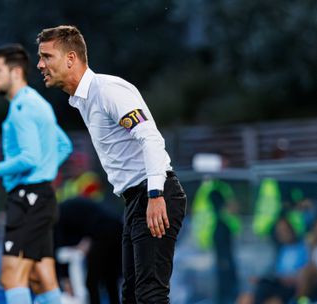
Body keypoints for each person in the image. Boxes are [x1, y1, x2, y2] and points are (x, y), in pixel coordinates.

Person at [36, 25, 187, 303]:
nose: (40, 64)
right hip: (135, 200)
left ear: (70, 58)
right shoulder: (83, 99)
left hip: (154, 195)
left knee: (150, 294)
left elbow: (150, 137)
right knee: (130, 295)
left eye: (46, 56)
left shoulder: (107, 90)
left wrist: (155, 194)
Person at [0, 43, 73, 304]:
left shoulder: (22, 109)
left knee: (12, 276)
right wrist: (45, 170)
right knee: (41, 278)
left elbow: (29, 157)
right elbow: (63, 146)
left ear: (15, 72)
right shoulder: (37, 103)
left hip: (28, 198)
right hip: (40, 196)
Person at [55, 197, 122, 304]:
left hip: (103, 233)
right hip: (116, 227)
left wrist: (64, 278)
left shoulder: (57, 217)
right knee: (110, 279)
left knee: (92, 282)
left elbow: (59, 250)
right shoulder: (66, 209)